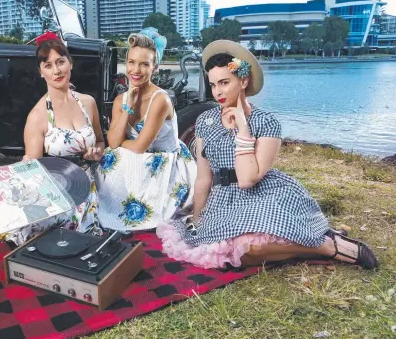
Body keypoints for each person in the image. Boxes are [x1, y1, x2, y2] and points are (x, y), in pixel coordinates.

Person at [157, 40, 379, 270]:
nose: (218, 92)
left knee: (255, 247)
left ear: (243, 80)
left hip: (262, 193)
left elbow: (247, 180)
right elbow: (204, 178)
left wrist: (243, 128)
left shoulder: (266, 122)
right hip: (222, 199)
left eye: (224, 82)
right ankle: (323, 247)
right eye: (213, 85)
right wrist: (197, 217)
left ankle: (330, 245)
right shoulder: (205, 120)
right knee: (235, 255)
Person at [0, 32, 104, 245]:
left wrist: (96, 152)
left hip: (89, 181)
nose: (57, 70)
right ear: (41, 72)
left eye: (60, 62)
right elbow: (33, 171)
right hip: (57, 187)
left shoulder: (88, 102)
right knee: (45, 226)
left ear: (71, 63)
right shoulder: (38, 116)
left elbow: (99, 140)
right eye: (48, 65)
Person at [94, 28, 197, 232]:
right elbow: (113, 143)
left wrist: (121, 141)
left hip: (166, 161)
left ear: (155, 67)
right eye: (131, 62)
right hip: (139, 159)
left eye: (144, 64)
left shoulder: (160, 100)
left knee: (123, 156)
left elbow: (140, 146)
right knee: (110, 156)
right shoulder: (120, 100)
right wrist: (127, 108)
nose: (136, 70)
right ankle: (112, 208)